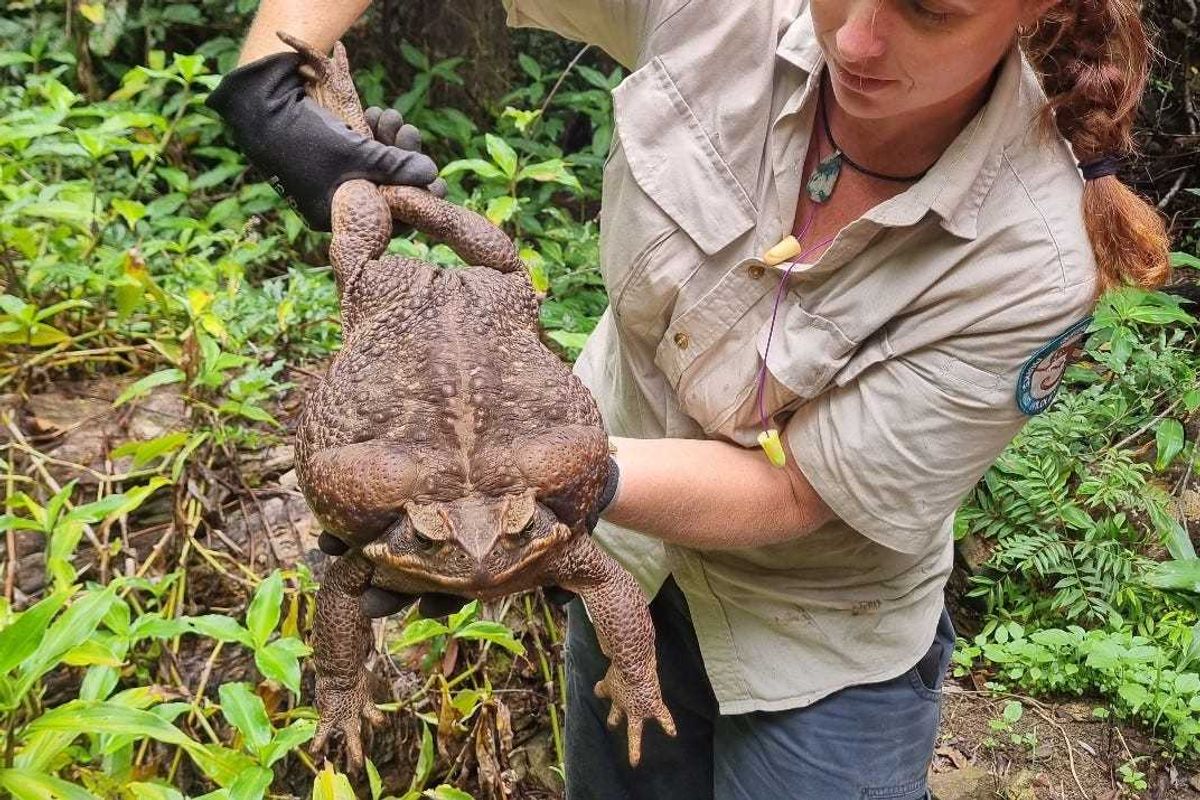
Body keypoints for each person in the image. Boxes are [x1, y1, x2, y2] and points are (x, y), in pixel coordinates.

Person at [207, 1, 1172, 797]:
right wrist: (272, 92)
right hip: (623, 565)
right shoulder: (725, 11)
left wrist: (546, 487)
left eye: (930, 11)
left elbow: (800, 491)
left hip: (815, 637)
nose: (857, 37)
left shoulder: (1035, 257)